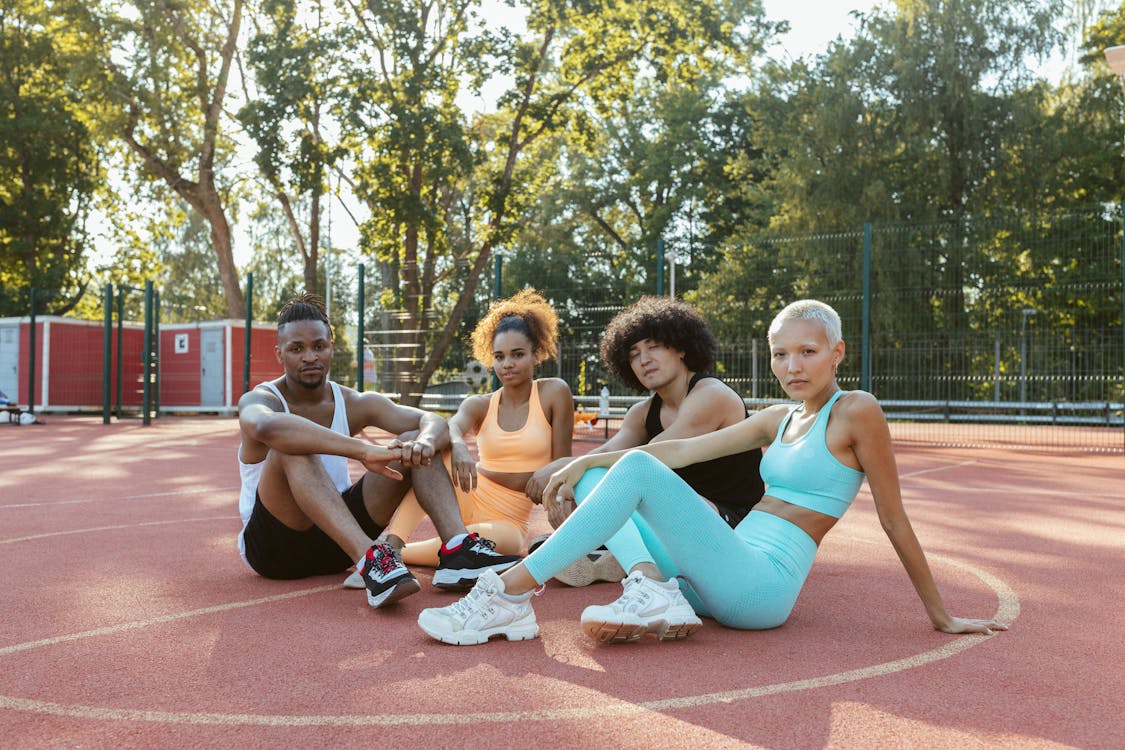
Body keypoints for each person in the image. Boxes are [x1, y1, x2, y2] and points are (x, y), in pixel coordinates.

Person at [417, 299, 1009, 645]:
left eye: (807, 351)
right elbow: (678, 454)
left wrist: (940, 614)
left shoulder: (857, 411)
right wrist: (587, 464)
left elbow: (894, 518)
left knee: (636, 468)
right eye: (781, 353)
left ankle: (513, 590)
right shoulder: (776, 416)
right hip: (713, 566)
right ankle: (652, 591)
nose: (792, 365)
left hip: (760, 589)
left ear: (837, 353)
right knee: (625, 469)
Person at [237, 293, 519, 610]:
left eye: (318, 346)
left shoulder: (354, 403)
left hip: (336, 546)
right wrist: (363, 451)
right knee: (289, 447)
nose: (309, 357)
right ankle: (372, 561)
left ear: (331, 345)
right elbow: (265, 428)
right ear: (280, 354)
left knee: (414, 438)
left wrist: (424, 443)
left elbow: (433, 422)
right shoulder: (261, 398)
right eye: (296, 349)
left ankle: (457, 551)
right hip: (274, 551)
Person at [523, 296, 764, 588]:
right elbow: (607, 453)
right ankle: (627, 557)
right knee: (594, 476)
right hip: (676, 526)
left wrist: (570, 469)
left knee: (626, 475)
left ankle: (613, 551)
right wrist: (568, 486)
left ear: (681, 347)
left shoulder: (711, 395)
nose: (644, 360)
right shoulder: (640, 413)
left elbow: (653, 457)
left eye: (654, 347)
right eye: (634, 354)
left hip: (732, 529)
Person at [356, 288, 573, 583]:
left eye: (517, 354)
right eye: (499, 356)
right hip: (468, 494)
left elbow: (564, 462)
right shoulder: (480, 404)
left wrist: (549, 469)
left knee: (509, 547)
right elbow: (449, 427)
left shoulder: (553, 393)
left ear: (536, 354)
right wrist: (458, 446)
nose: (507, 364)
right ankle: (392, 546)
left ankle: (396, 555)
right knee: (432, 448)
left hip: (509, 519)